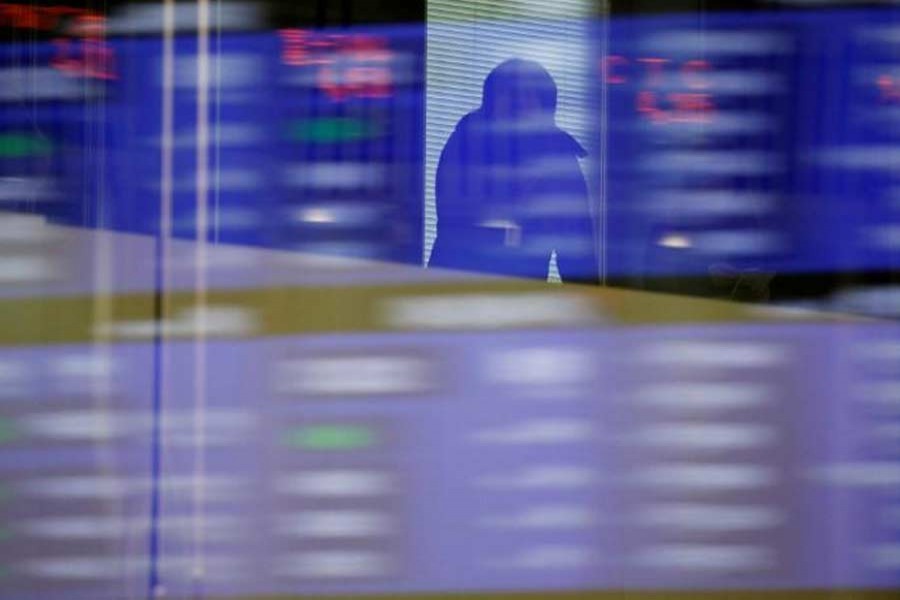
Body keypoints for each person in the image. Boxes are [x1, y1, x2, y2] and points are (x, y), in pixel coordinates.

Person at [428, 59, 599, 283]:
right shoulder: (466, 143)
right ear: (491, 101)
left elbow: (577, 250)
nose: (519, 103)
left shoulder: (559, 157)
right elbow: (458, 221)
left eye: (529, 95)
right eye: (508, 94)